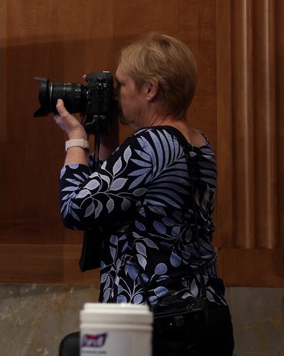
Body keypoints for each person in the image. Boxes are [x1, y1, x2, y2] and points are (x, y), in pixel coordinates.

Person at [52, 33, 234, 355]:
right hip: (203, 314)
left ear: (150, 89)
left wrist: (76, 138)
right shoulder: (199, 143)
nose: (115, 95)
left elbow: (75, 207)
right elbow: (112, 201)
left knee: (76, 348)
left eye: (121, 84)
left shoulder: (150, 143)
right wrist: (107, 136)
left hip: (150, 321)